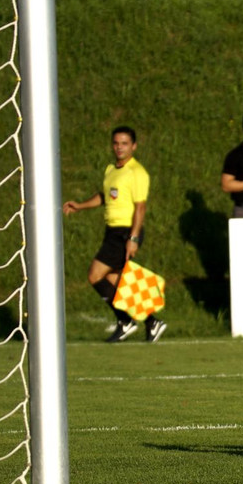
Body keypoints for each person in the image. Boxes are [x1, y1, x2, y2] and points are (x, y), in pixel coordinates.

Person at [62, 126, 167, 343]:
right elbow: (105, 197)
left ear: (134, 146)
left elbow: (140, 208)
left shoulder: (137, 172)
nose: (119, 147)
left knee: (94, 274)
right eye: (116, 143)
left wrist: (134, 238)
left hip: (125, 231)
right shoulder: (111, 169)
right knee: (117, 281)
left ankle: (126, 321)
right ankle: (151, 322)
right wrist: (80, 206)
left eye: (125, 143)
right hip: (112, 231)